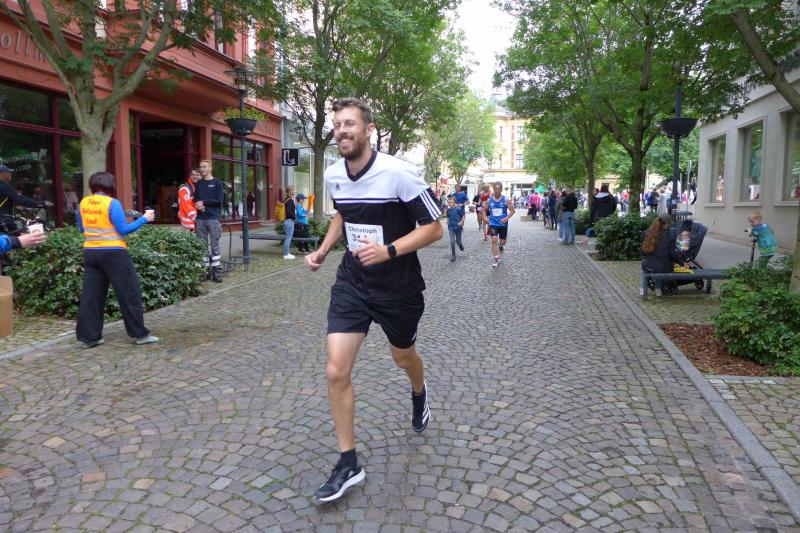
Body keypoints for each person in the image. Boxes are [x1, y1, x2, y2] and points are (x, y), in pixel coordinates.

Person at [305, 98, 442, 503]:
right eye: (337, 125)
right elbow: (342, 214)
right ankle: (349, 462)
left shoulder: (399, 173)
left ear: (369, 130)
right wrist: (324, 249)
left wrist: (389, 251)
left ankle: (419, 390)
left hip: (398, 287)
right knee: (336, 370)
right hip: (353, 282)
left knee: (403, 357)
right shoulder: (334, 174)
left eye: (349, 124)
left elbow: (434, 227)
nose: (341, 131)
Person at [75, 172, 158, 349]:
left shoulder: (83, 203)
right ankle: (140, 334)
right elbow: (123, 229)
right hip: (114, 253)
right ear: (110, 186)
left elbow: (82, 228)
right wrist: (144, 219)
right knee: (129, 292)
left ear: (92, 185)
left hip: (90, 252)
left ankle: (90, 337)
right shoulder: (112, 203)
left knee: (91, 296)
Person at [194, 160, 224, 283]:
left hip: (213, 218)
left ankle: (217, 272)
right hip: (200, 218)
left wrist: (204, 202)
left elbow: (219, 200)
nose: (202, 169)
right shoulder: (198, 184)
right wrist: (198, 204)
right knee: (202, 245)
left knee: (214, 245)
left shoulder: (217, 183)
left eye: (205, 166)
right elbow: (196, 198)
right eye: (201, 167)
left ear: (210, 168)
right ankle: (205, 271)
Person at [640, 212, 682, 298]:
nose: (669, 226)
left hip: (648, 266)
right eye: (669, 224)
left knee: (645, 271)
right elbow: (672, 254)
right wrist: (682, 262)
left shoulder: (646, 233)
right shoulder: (669, 236)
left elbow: (643, 251)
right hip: (664, 269)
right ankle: (658, 290)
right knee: (660, 266)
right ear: (665, 223)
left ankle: (642, 291)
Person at [0, 164, 52, 231]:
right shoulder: (5, 186)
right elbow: (21, 199)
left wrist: (18, 208)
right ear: (2, 174)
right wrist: (42, 204)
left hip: (3, 220)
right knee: (16, 235)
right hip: (4, 221)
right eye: (8, 172)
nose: (10, 174)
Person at [483, 181, 515, 268]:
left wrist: (506, 218)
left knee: (502, 242)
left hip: (503, 224)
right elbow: (484, 210)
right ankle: (496, 258)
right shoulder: (489, 200)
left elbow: (512, 210)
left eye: (499, 189)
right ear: (493, 189)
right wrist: (485, 218)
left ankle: (500, 245)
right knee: (493, 240)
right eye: (496, 189)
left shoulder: (506, 200)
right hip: (493, 223)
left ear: (501, 190)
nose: (497, 190)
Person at [445, 196, 465, 262]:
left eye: (451, 202)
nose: (449, 203)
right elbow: (447, 216)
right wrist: (447, 220)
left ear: (454, 203)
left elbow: (464, 215)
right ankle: (453, 255)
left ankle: (460, 245)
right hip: (451, 226)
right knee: (452, 241)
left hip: (458, 227)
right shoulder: (448, 210)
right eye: (449, 202)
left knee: (458, 242)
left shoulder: (458, 209)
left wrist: (462, 222)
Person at [283, 185, 297, 259]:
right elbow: (288, 212)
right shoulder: (290, 200)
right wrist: (294, 217)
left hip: (287, 221)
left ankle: (287, 252)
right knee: (288, 238)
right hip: (289, 221)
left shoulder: (286, 199)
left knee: (288, 238)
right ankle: (286, 254)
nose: (295, 191)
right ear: (290, 191)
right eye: (294, 190)